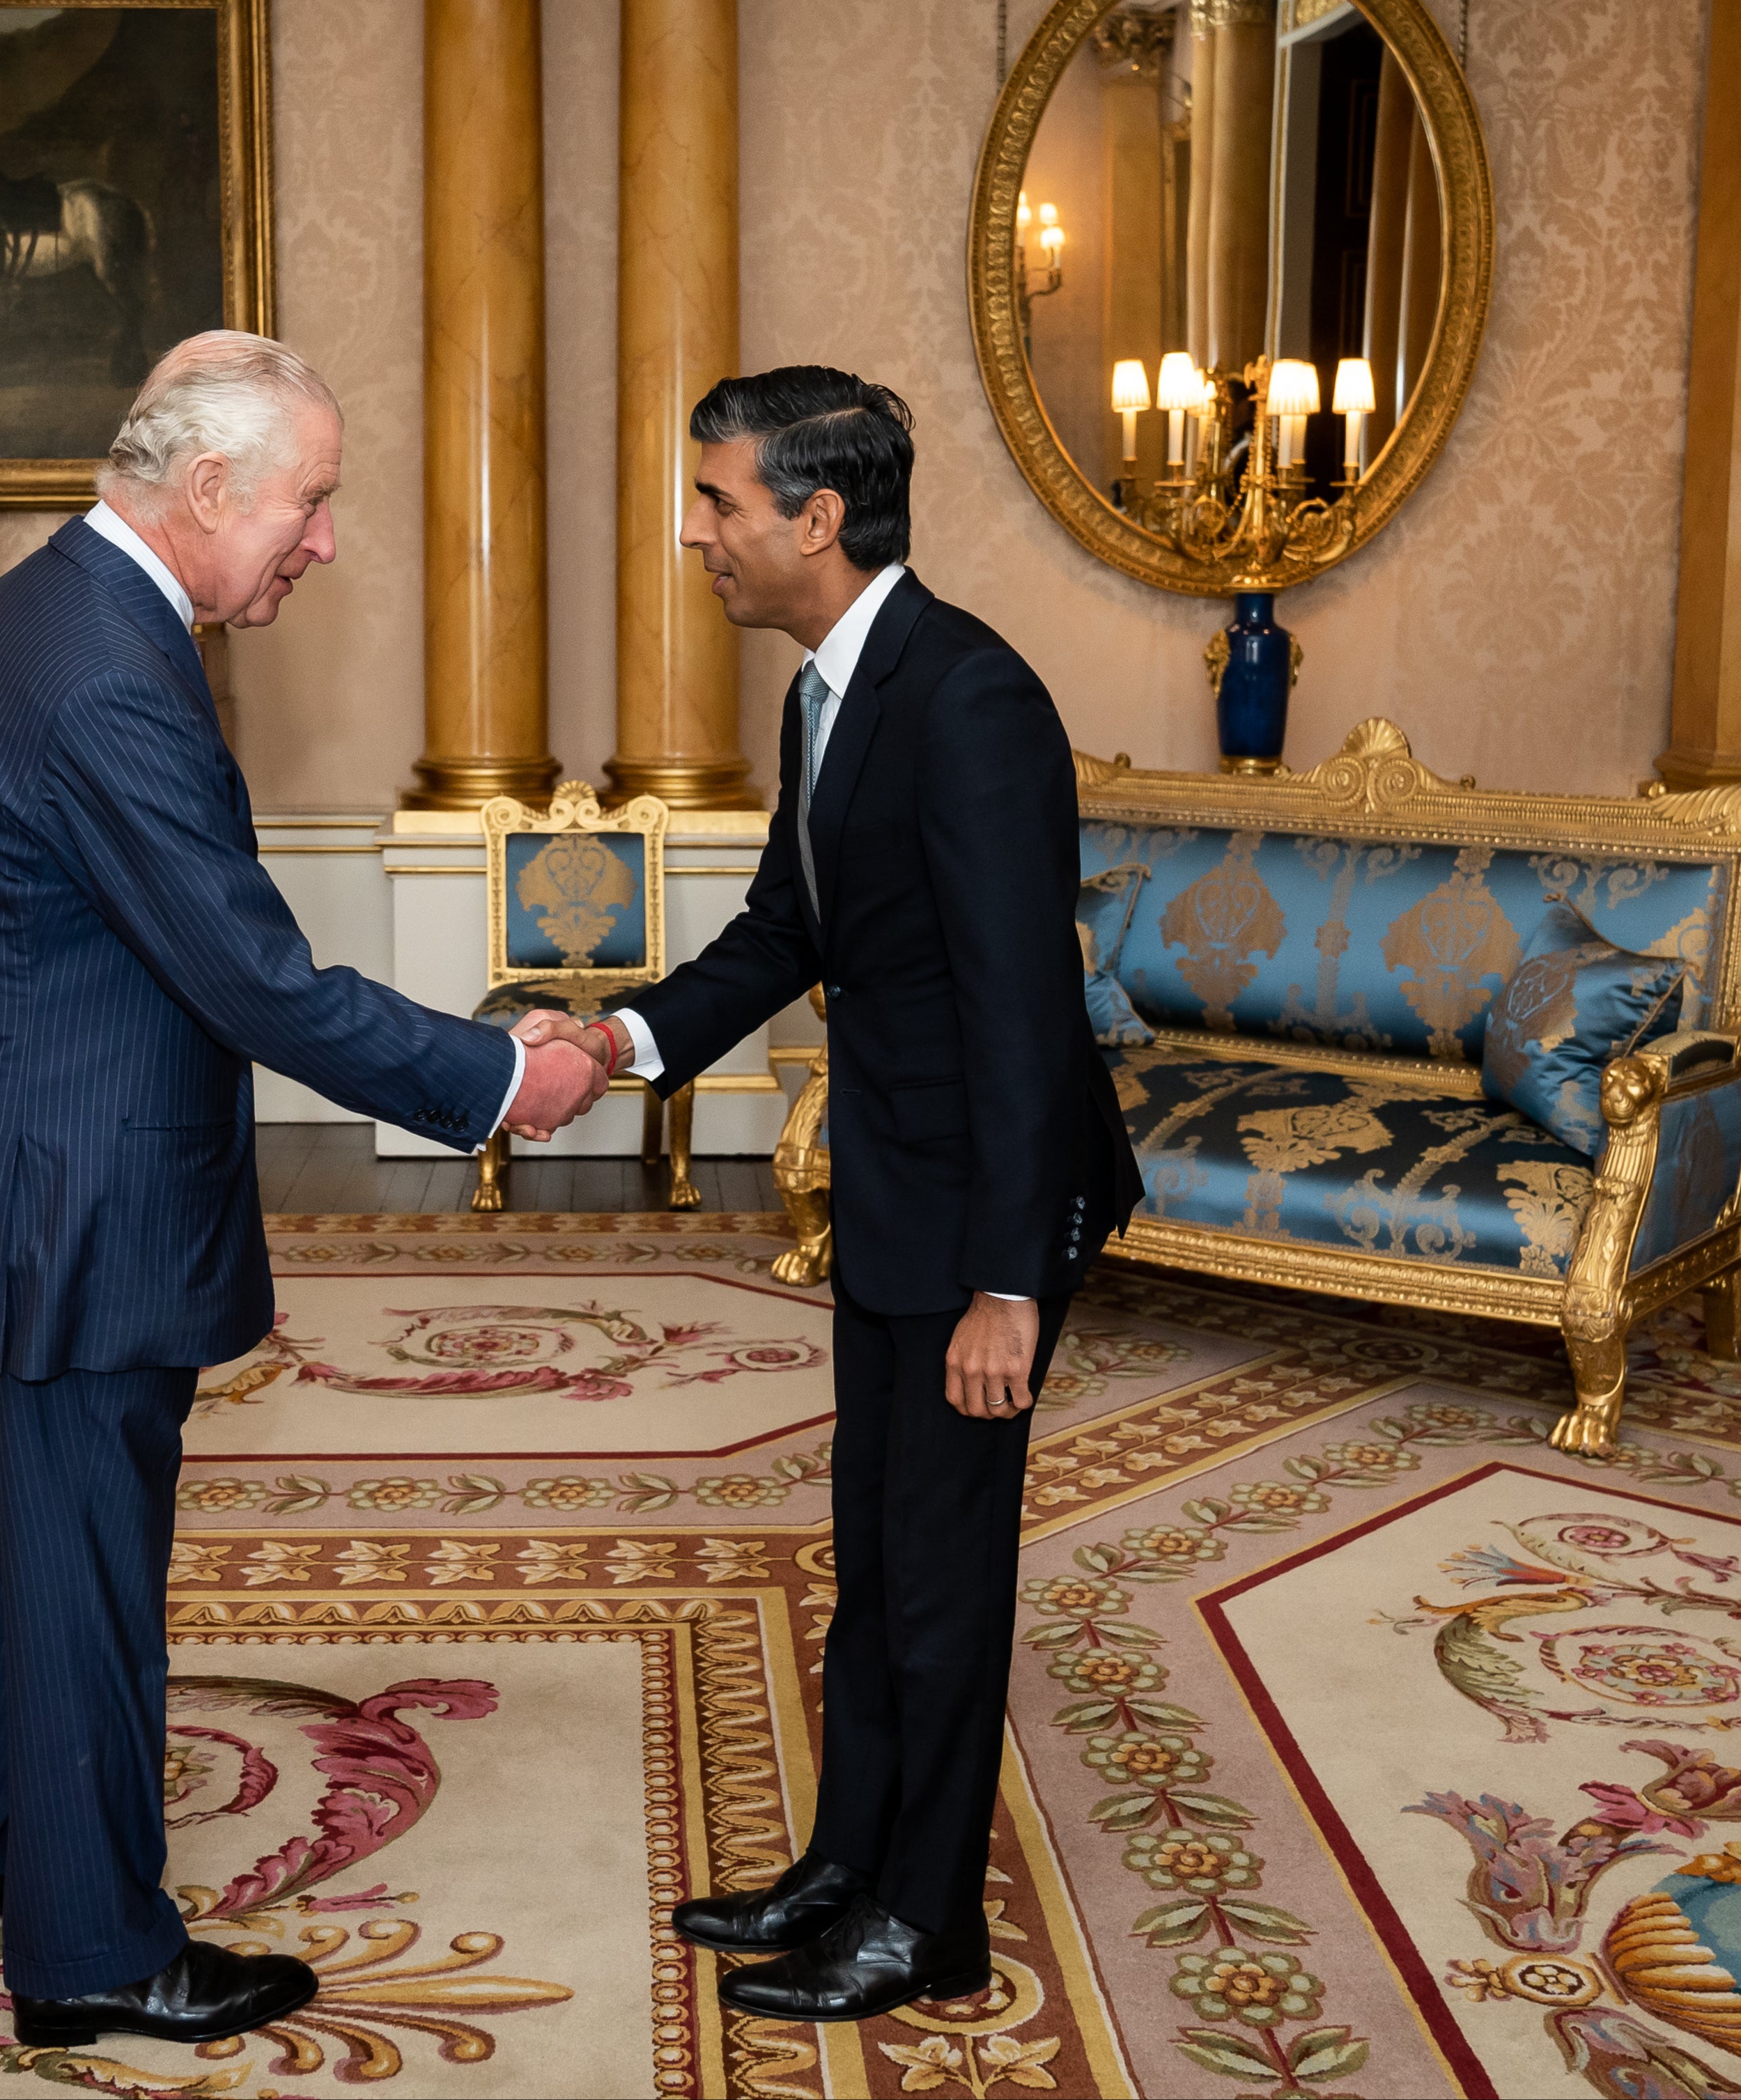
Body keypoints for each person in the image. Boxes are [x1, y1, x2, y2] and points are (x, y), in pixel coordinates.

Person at [0, 331, 607, 2049]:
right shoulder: (110, 671)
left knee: (14, 1521)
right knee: (84, 1574)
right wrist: (500, 1074)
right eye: (312, 500)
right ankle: (96, 1950)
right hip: (64, 1216)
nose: (324, 540)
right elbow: (255, 978)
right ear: (205, 491)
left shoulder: (47, 604)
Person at [527, 366, 1142, 2022]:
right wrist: (625, 1032)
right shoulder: (825, 690)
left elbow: (1025, 1005)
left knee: (941, 1580)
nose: (695, 531)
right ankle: (846, 1863)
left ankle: (924, 1920)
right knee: (876, 1558)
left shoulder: (968, 701)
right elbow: (788, 931)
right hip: (897, 1190)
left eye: (718, 501)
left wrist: (1011, 1280)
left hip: (979, 1221)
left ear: (816, 515)